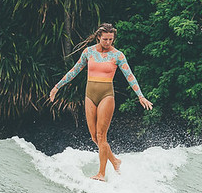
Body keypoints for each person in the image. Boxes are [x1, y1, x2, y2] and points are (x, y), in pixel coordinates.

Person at [49, 23, 154, 180]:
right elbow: (74, 71)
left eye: (111, 39)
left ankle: (101, 173)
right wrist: (57, 87)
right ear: (98, 37)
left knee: (101, 135)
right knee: (94, 136)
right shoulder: (88, 52)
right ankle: (115, 161)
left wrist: (140, 96)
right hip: (89, 95)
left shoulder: (118, 55)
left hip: (106, 95)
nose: (108, 42)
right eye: (105, 39)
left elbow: (130, 76)